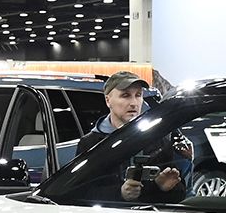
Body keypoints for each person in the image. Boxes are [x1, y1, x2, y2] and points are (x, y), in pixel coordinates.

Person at [80, 72, 187, 202]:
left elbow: (180, 193)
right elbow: (79, 193)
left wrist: (161, 187)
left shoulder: (158, 140)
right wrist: (119, 193)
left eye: (138, 95)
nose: (134, 103)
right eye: (125, 95)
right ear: (108, 100)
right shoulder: (90, 143)